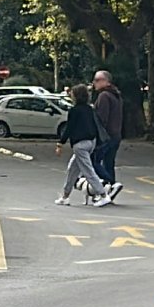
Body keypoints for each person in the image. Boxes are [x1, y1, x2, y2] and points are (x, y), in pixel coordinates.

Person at [55, 85, 113, 207]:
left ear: (76, 96)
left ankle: (103, 194)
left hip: (80, 145)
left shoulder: (74, 111)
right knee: (72, 169)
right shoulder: (89, 109)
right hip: (91, 142)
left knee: (88, 170)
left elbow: (69, 128)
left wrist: (60, 143)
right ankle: (65, 196)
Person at [93, 71, 124, 199]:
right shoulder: (116, 96)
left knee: (94, 161)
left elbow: (102, 118)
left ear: (107, 81)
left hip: (106, 136)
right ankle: (109, 188)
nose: (94, 82)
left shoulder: (104, 96)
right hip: (116, 134)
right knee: (108, 162)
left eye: (97, 79)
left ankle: (109, 184)